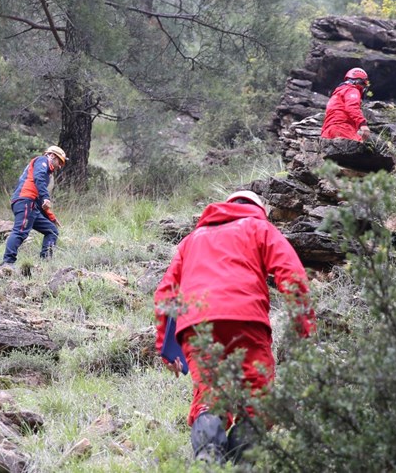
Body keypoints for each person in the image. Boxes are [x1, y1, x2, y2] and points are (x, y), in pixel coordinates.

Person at [153, 190, 316, 463]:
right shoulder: (260, 227)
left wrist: (165, 348)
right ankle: (243, 465)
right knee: (259, 398)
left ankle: (208, 461)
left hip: (197, 326)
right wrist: (303, 328)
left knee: (209, 394)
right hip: (246, 321)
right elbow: (292, 274)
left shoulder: (192, 240)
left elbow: (165, 294)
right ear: (257, 208)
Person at [1, 146, 67, 269]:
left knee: (51, 230)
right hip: (25, 201)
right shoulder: (42, 161)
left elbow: (41, 201)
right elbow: (39, 178)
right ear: (52, 156)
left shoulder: (47, 172)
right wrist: (46, 197)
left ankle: (46, 262)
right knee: (20, 231)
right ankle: (7, 263)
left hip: (31, 205)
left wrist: (52, 218)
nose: (60, 166)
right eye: (60, 162)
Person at [321, 67, 371, 141]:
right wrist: (362, 124)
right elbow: (352, 107)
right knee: (363, 149)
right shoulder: (352, 90)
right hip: (342, 128)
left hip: (327, 131)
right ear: (359, 82)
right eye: (364, 84)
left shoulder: (337, 93)